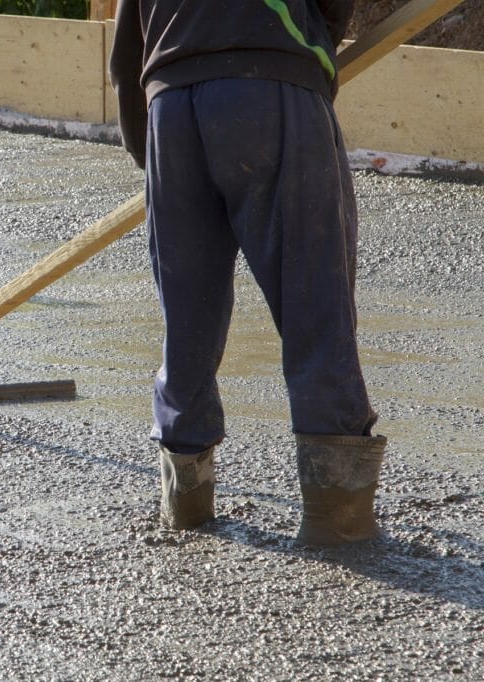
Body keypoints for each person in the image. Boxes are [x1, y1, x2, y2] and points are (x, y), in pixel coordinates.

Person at [108, 0, 386, 544]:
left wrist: (157, 162)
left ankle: (185, 501)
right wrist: (309, 65)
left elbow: (124, 63)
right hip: (272, 88)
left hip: (171, 104)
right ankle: (338, 515)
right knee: (313, 299)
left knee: (187, 314)